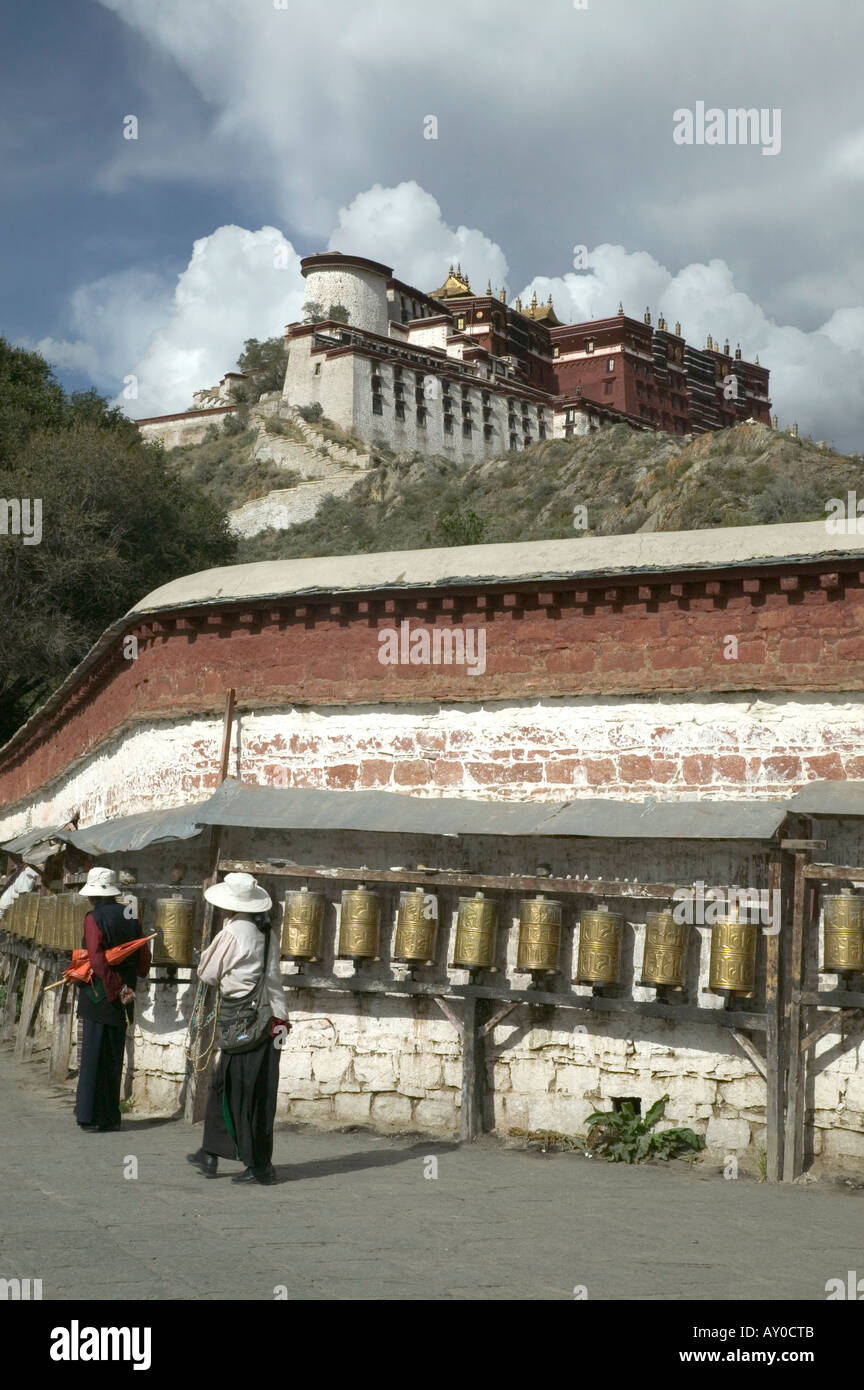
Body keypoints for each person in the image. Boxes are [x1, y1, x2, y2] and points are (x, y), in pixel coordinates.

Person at [188, 872, 289, 1186]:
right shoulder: (267, 932)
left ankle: (258, 1166)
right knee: (238, 1088)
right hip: (273, 1020)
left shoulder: (233, 932)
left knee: (242, 1092)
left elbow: (207, 973)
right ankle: (210, 1151)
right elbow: (273, 980)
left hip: (244, 1023)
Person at [74, 866, 151, 1133]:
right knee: (113, 1054)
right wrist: (132, 981)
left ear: (93, 894)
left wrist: (114, 987)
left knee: (93, 1054)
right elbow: (143, 953)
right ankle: (109, 1116)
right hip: (125, 995)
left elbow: (96, 959)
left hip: (99, 995)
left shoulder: (93, 918)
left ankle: (88, 1114)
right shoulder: (131, 914)